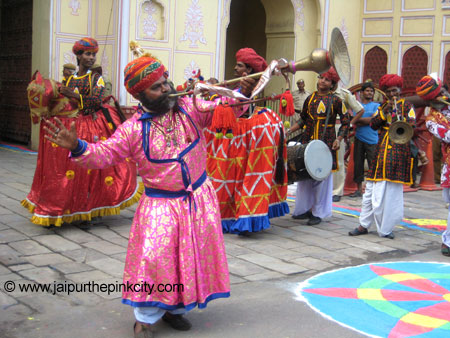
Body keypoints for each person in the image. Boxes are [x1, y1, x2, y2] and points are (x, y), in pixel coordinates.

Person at [44, 54, 254, 337]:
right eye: (157, 87)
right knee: (156, 260)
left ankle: (175, 308)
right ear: (141, 94)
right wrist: (78, 146)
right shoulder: (132, 129)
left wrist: (237, 93)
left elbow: (228, 109)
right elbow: (105, 153)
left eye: (166, 82)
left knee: (189, 256)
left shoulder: (191, 108)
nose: (166, 89)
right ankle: (143, 318)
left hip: (198, 200)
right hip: (160, 205)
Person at [22, 37, 141, 226]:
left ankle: (91, 208)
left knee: (92, 170)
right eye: (87, 54)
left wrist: (75, 96)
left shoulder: (97, 77)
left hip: (93, 125)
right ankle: (67, 206)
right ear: (78, 56)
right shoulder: (69, 78)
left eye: (93, 54)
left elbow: (95, 101)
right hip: (73, 125)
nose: (92, 58)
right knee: (69, 169)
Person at [205, 47, 289, 235]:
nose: (235, 68)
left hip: (245, 140)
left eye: (240, 65)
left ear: (249, 71)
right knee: (231, 179)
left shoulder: (251, 88)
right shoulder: (238, 87)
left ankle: (246, 218)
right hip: (234, 140)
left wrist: (241, 91)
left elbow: (239, 107)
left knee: (246, 178)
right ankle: (233, 215)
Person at [349, 74, 416, 239]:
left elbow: (412, 125)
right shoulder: (382, 106)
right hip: (381, 152)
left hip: (398, 153)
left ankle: (386, 228)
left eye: (395, 91)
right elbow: (373, 125)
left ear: (399, 90)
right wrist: (384, 112)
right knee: (370, 191)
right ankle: (363, 225)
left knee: (390, 193)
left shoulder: (407, 106)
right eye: (389, 91)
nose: (393, 94)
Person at [288, 67, 350, 225]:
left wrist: (340, 138)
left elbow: (345, 121)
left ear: (332, 84)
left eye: (327, 80)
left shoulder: (336, 101)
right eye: (321, 78)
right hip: (308, 141)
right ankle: (304, 209)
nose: (322, 81)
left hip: (326, 143)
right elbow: (302, 120)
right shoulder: (310, 99)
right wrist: (288, 131)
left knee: (322, 178)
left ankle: (318, 212)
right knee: (305, 176)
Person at [417, 74, 450, 256]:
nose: (443, 96)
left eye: (444, 92)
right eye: (439, 93)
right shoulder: (431, 120)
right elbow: (447, 136)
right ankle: (448, 242)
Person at [332, 82, 364, 202]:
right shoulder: (321, 93)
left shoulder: (344, 94)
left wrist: (350, 124)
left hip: (337, 127)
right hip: (322, 128)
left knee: (338, 160)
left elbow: (360, 110)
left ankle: (337, 191)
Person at [349, 82, 379, 197]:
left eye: (371, 91)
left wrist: (359, 119)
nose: (369, 93)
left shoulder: (376, 106)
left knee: (373, 164)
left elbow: (374, 120)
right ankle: (358, 189)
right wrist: (367, 119)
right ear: (362, 93)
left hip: (373, 139)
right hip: (359, 138)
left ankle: (373, 190)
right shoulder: (358, 106)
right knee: (358, 164)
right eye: (367, 90)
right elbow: (359, 119)